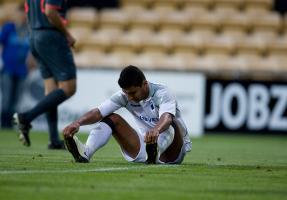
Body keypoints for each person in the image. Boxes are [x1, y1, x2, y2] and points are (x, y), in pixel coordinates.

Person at [63, 65, 192, 164]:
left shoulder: (162, 92)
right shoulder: (124, 96)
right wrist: (77, 123)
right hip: (144, 147)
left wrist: (156, 130)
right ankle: (86, 152)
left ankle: (155, 151)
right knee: (111, 118)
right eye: (126, 93)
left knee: (171, 123)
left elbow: (167, 117)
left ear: (144, 84)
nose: (129, 98)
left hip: (173, 151)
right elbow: (98, 112)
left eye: (133, 93)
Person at [13, 0, 77, 149]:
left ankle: (53, 140)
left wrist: (36, 37)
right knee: (69, 88)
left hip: (34, 35)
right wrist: (66, 34)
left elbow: (28, 12)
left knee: (51, 91)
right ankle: (25, 118)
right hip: (51, 36)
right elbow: (50, 11)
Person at [0, 5, 31, 129]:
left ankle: (11, 125)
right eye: (21, 13)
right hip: (7, 69)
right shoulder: (9, 28)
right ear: (16, 14)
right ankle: (4, 124)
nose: (23, 16)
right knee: (6, 98)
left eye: (25, 13)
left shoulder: (29, 30)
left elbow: (32, 50)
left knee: (16, 100)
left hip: (22, 70)